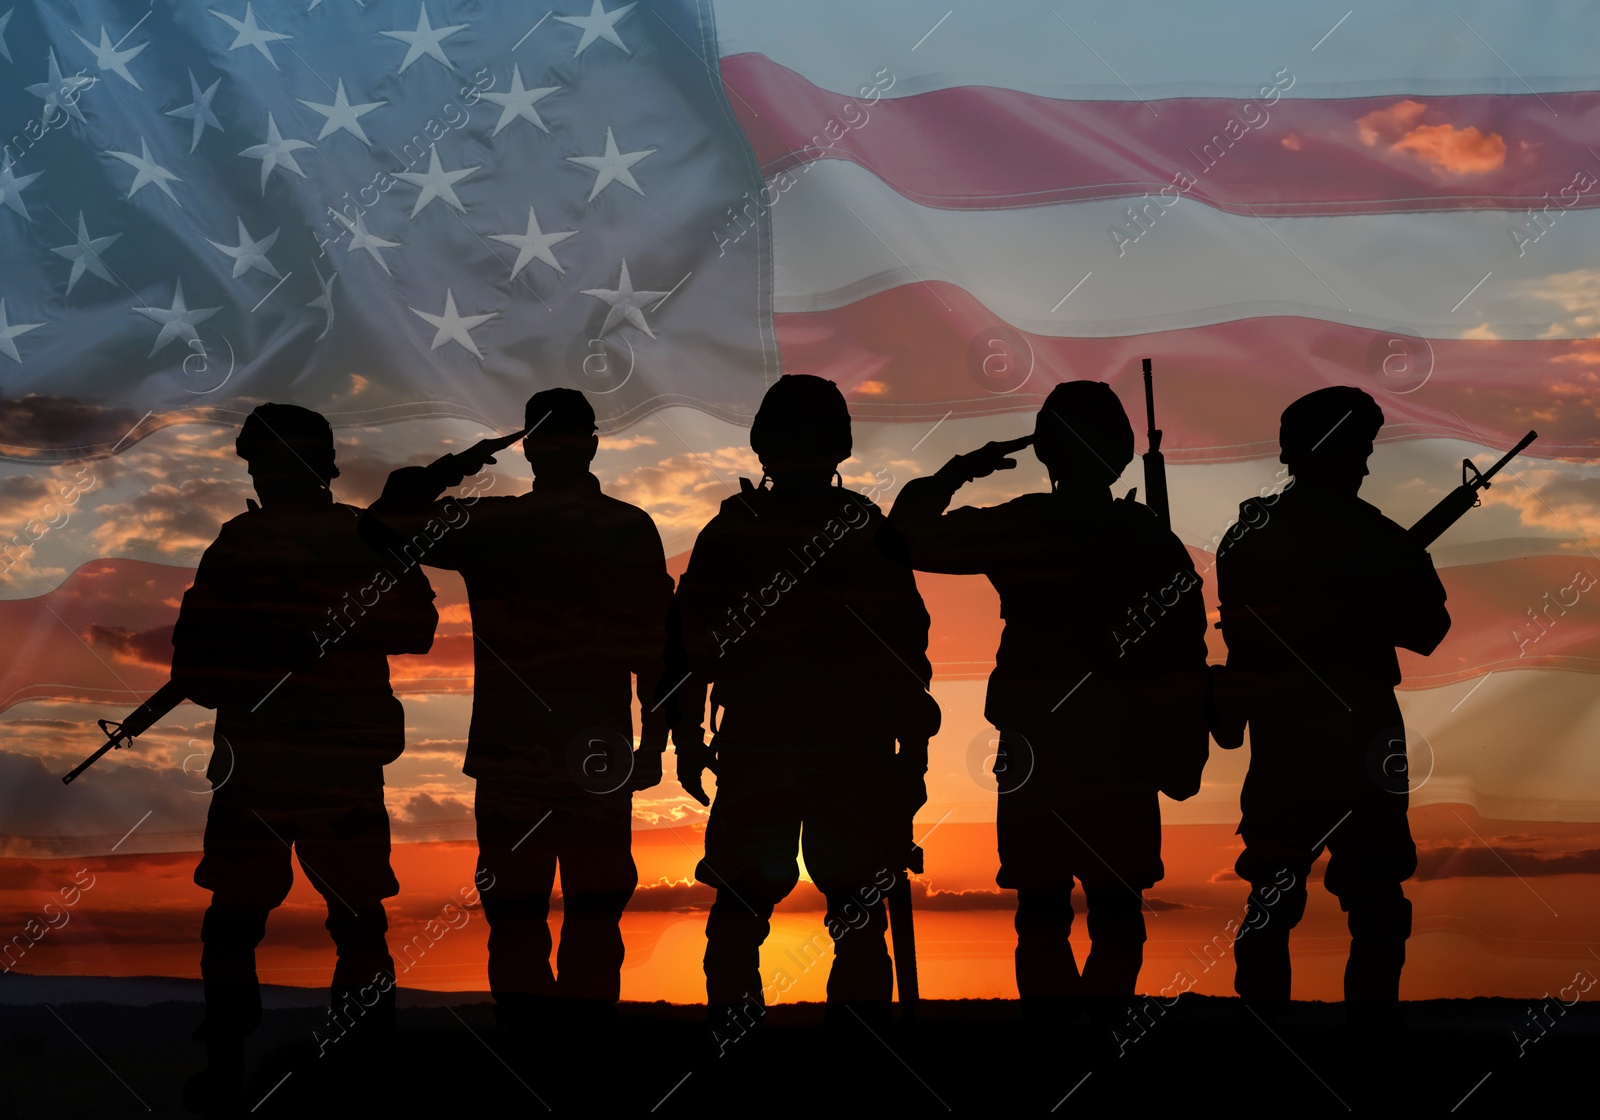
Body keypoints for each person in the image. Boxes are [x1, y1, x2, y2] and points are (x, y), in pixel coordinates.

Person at [882, 380, 1209, 1029]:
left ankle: (1057, 1046)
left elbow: (903, 539)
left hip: (1046, 748)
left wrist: (956, 471)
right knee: (1115, 911)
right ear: (1116, 456)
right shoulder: (1146, 540)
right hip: (1119, 748)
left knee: (1043, 911)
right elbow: (1187, 650)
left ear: (1050, 455)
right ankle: (1089, 1043)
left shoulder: (1025, 526)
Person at [362, 388, 672, 1030]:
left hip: (514, 759)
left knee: (518, 921)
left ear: (528, 447)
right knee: (589, 917)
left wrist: (461, 464)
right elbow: (659, 646)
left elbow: (380, 524)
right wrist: (659, 740)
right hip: (596, 756)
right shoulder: (625, 527)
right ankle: (576, 1063)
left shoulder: (492, 526)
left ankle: (535, 1061)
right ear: (590, 444)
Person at [172, 404, 438, 1112]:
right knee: (337, 924)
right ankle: (324, 1074)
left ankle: (245, 1074)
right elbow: (197, 670)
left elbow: (416, 627)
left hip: (286, 770)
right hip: (313, 768)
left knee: (256, 923)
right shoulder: (349, 538)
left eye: (268, 461)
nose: (266, 473)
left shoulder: (248, 544)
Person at [668, 374, 939, 1043]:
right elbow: (909, 651)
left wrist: (685, 737)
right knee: (849, 917)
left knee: (744, 912)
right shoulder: (864, 530)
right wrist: (913, 759)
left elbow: (688, 645)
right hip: (843, 753)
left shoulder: (736, 532)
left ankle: (738, 1044)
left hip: (773, 748)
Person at [1213, 386, 1450, 1029]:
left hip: (1303, 733)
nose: (1367, 466)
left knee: (1283, 897)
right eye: (1358, 450)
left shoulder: (1252, 533)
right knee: (1363, 903)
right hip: (1348, 731)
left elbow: (1240, 624)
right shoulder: (1376, 539)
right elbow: (1428, 628)